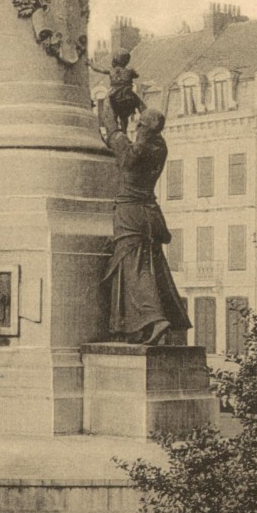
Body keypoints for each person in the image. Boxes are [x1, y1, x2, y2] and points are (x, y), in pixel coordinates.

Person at [98, 97, 191, 345]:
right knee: (151, 266)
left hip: (130, 214)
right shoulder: (159, 147)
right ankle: (141, 326)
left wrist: (108, 103)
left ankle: (154, 318)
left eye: (139, 124)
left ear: (140, 128)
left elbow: (111, 129)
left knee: (134, 269)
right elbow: (148, 124)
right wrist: (136, 103)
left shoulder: (132, 153)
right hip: (149, 213)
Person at [89, 49, 145, 132]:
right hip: (127, 95)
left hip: (114, 95)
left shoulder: (112, 70)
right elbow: (137, 75)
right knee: (136, 106)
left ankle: (113, 129)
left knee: (111, 111)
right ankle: (144, 116)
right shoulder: (129, 70)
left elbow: (98, 69)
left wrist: (90, 64)